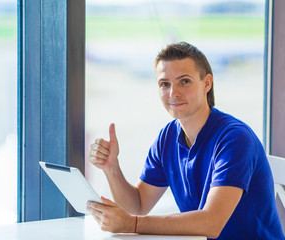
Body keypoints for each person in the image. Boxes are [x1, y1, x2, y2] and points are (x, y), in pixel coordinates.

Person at [87, 42, 285, 239]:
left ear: (207, 83)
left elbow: (212, 223)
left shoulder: (235, 139)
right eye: (165, 84)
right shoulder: (167, 137)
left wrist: (133, 224)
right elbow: (137, 206)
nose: (173, 93)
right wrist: (111, 168)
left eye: (184, 81)